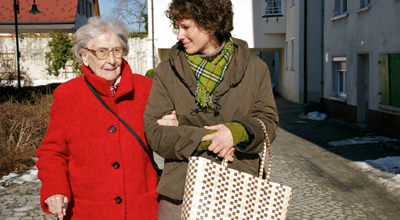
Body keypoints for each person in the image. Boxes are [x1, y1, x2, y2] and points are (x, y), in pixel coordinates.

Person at [143, 0, 279, 219]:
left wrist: (236, 132)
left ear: (211, 25)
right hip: (181, 189)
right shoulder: (166, 71)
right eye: (177, 27)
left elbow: (268, 122)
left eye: (186, 27)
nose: (179, 35)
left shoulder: (255, 67)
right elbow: (156, 132)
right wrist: (212, 137)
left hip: (239, 186)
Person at [36, 17, 159, 220]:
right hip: (88, 211)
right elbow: (52, 151)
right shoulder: (67, 95)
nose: (111, 60)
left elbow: (166, 141)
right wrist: (54, 188)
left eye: (116, 51)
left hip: (142, 210)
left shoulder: (146, 89)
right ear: (84, 56)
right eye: (101, 51)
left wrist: (172, 126)